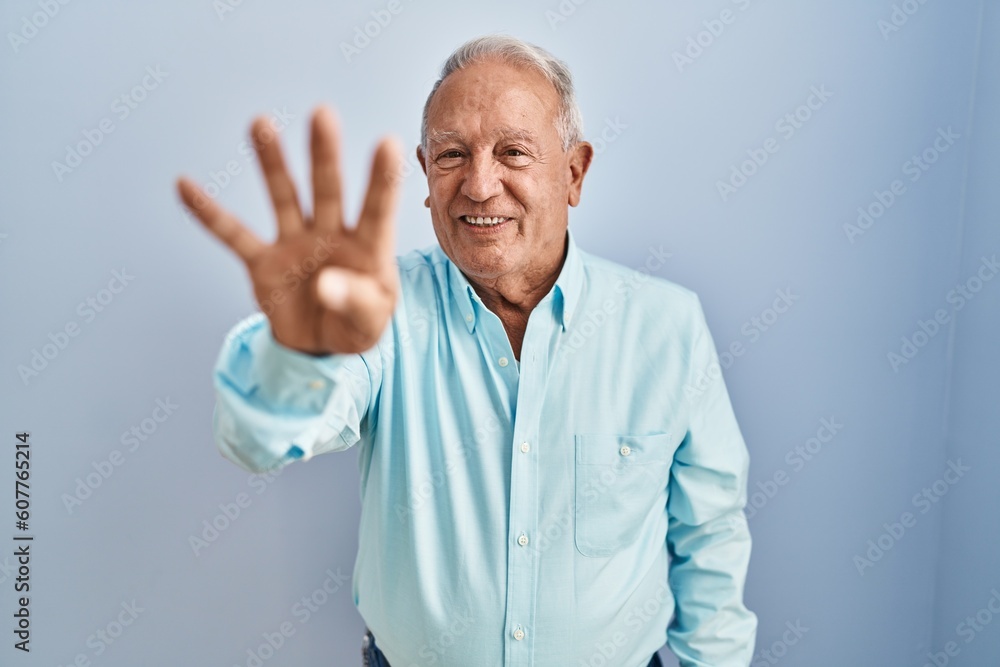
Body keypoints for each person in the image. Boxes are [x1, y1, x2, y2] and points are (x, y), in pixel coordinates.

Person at [177, 34, 756, 667]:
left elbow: (710, 534)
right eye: (452, 154)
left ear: (574, 172)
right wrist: (298, 349)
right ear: (426, 175)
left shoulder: (666, 326)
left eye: (513, 152)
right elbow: (256, 442)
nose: (479, 186)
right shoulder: (375, 311)